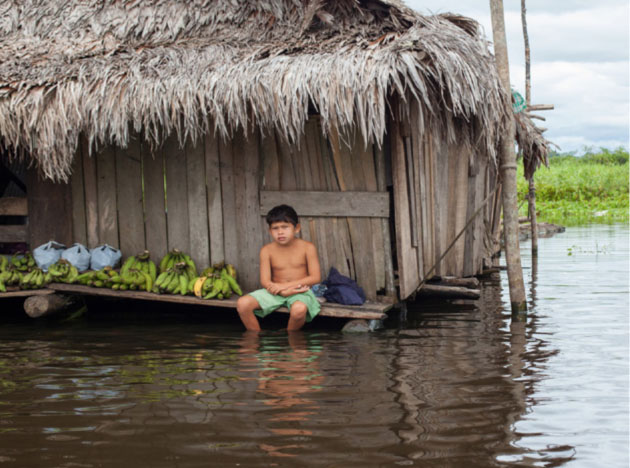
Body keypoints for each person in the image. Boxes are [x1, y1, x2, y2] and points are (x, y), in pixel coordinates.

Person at [236, 205, 321, 331]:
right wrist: (281, 291)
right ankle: (255, 337)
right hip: (275, 291)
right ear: (270, 231)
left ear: (297, 228)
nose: (280, 232)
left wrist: (286, 287)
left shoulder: (308, 248)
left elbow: (315, 277)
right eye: (275, 228)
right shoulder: (266, 250)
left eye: (285, 227)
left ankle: (290, 337)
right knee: (242, 304)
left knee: (299, 310)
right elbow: (265, 281)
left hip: (300, 291)